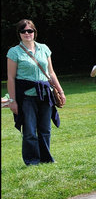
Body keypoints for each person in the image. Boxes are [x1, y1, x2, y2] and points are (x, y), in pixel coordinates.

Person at [5, 19, 65, 165]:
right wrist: (12, 101)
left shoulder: (44, 48)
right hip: (26, 97)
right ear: (19, 34)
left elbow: (51, 73)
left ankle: (46, 159)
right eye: (23, 31)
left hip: (45, 94)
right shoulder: (14, 52)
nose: (27, 33)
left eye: (30, 30)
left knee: (45, 129)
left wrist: (60, 91)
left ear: (34, 32)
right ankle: (32, 160)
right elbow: (11, 78)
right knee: (30, 131)